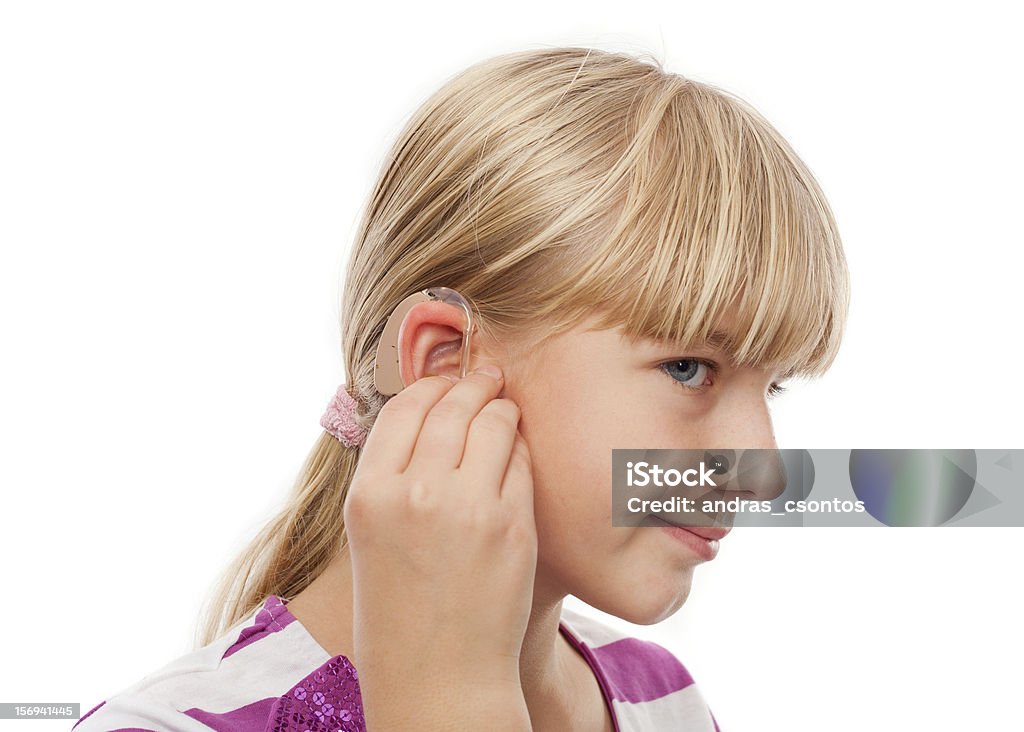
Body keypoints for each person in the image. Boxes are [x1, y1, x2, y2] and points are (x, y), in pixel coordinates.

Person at [73, 45, 849, 731]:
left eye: (772, 387)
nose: (760, 465)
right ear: (445, 364)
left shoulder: (660, 700)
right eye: (689, 369)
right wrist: (449, 697)